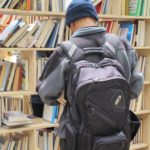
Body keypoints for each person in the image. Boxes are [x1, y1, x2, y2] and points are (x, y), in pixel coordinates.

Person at [36, 0, 144, 149]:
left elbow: (46, 94)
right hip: (117, 138)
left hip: (77, 139)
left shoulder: (64, 52)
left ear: (71, 23)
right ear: (96, 19)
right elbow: (134, 89)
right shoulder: (121, 45)